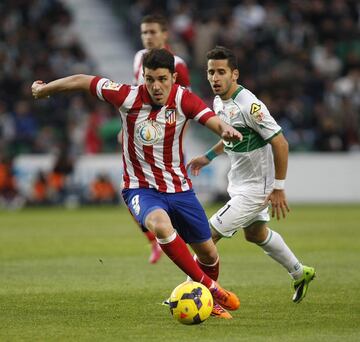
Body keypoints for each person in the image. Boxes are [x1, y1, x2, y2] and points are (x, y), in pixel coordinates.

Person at [31, 48, 241, 318]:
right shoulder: (127, 96)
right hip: (140, 189)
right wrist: (46, 89)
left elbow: (210, 118)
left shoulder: (183, 98)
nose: (155, 86)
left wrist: (225, 128)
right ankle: (211, 288)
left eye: (162, 79)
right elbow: (83, 80)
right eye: (150, 79)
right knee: (161, 226)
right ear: (142, 76)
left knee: (209, 254)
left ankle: (207, 301)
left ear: (174, 78)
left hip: (180, 189)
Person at [187, 46, 315, 304]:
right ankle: (301, 272)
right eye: (211, 72)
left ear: (234, 74)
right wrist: (208, 156)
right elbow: (231, 135)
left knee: (206, 235)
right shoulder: (218, 101)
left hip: (257, 188)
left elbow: (281, 143)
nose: (215, 78)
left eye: (221, 72)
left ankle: (191, 293)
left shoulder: (250, 105)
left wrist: (278, 187)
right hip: (239, 183)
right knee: (255, 234)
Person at [132, 14, 191, 263]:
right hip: (141, 138)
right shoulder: (138, 58)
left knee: (176, 193)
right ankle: (155, 241)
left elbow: (186, 104)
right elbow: (136, 95)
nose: (148, 37)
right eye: (144, 32)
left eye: (153, 32)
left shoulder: (177, 64)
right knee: (133, 188)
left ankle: (180, 240)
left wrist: (178, 137)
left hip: (167, 140)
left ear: (165, 34)